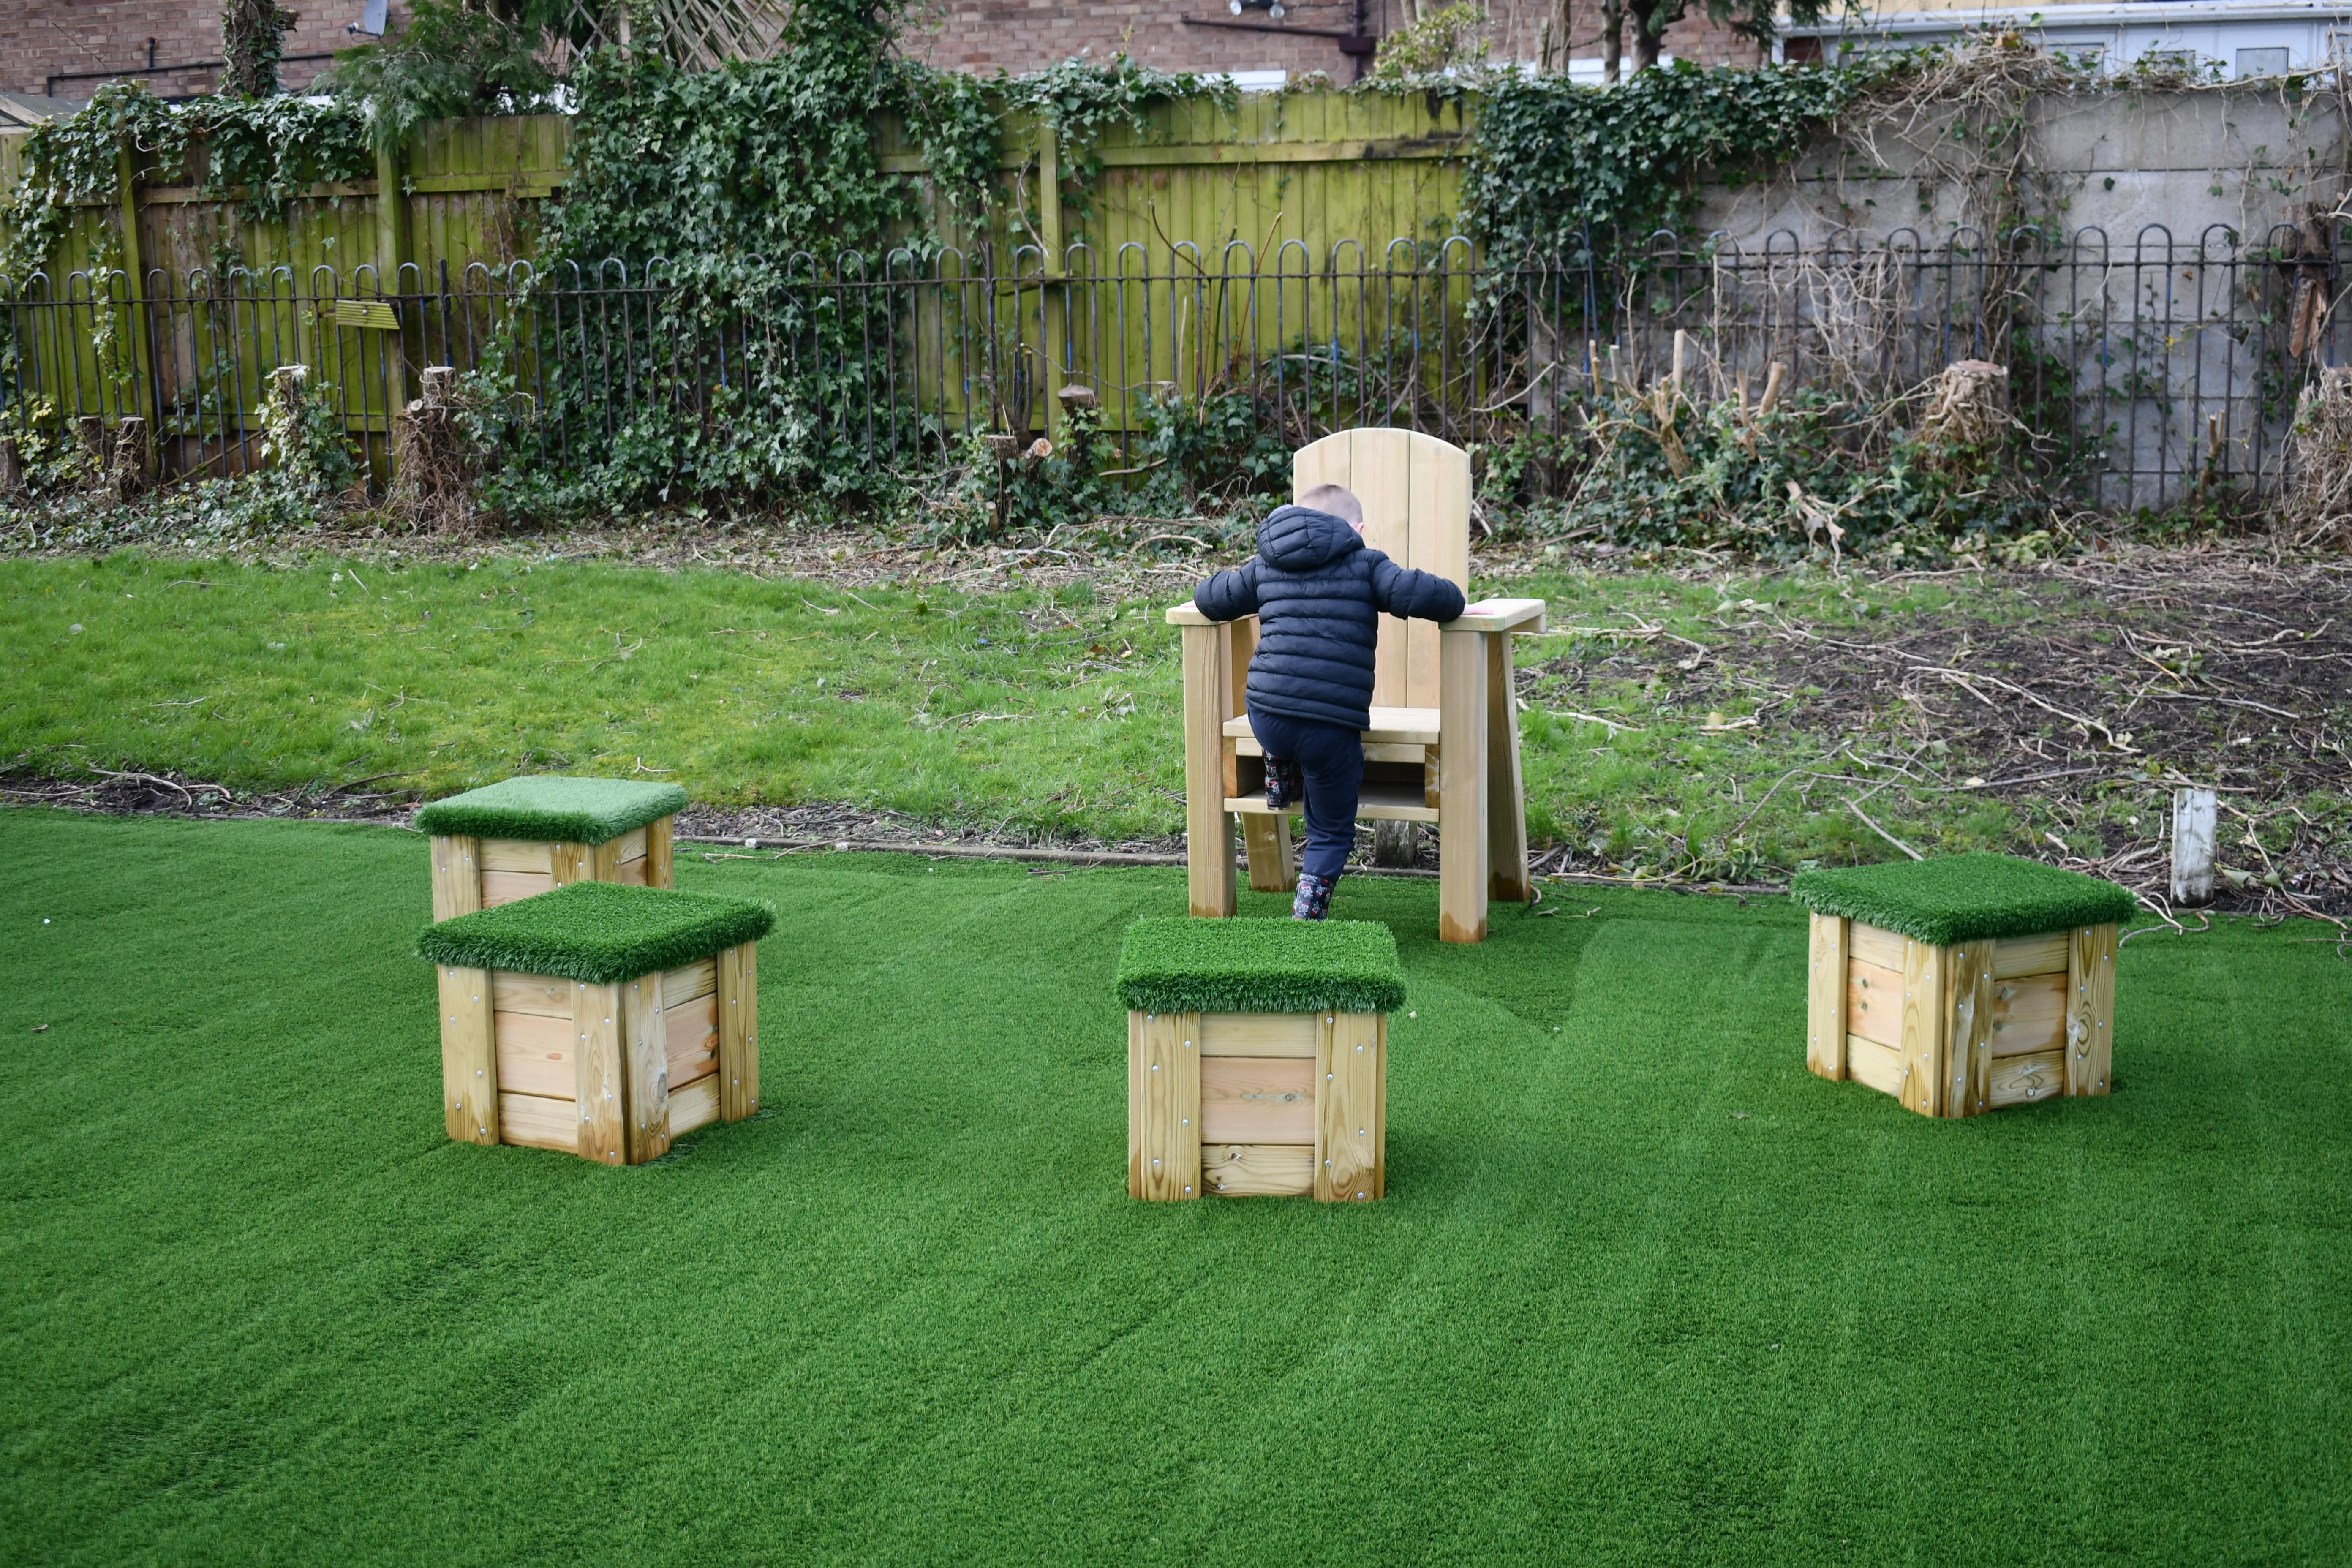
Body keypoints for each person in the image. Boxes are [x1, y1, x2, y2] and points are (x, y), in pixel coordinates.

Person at [1192, 483, 1466, 919]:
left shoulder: (1268, 563)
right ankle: (1308, 910)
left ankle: (1278, 769)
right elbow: (1416, 593)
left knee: (1280, 721)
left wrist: (1210, 586)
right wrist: (1456, 599)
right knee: (1332, 825)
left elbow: (1212, 598)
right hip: (1329, 725)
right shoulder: (1366, 563)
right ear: (1357, 528)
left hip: (1267, 712)